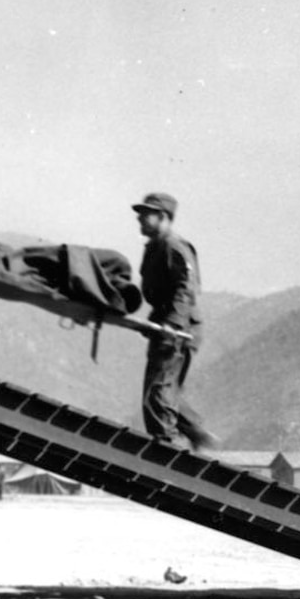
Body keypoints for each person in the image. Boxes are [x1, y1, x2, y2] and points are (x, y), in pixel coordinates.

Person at [132, 191, 214, 453]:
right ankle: (197, 435)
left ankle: (166, 447)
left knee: (159, 390)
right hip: (167, 325)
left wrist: (174, 325)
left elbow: (185, 288)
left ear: (164, 216)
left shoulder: (174, 246)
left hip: (179, 328)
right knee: (165, 390)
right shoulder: (156, 247)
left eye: (146, 214)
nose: (140, 219)